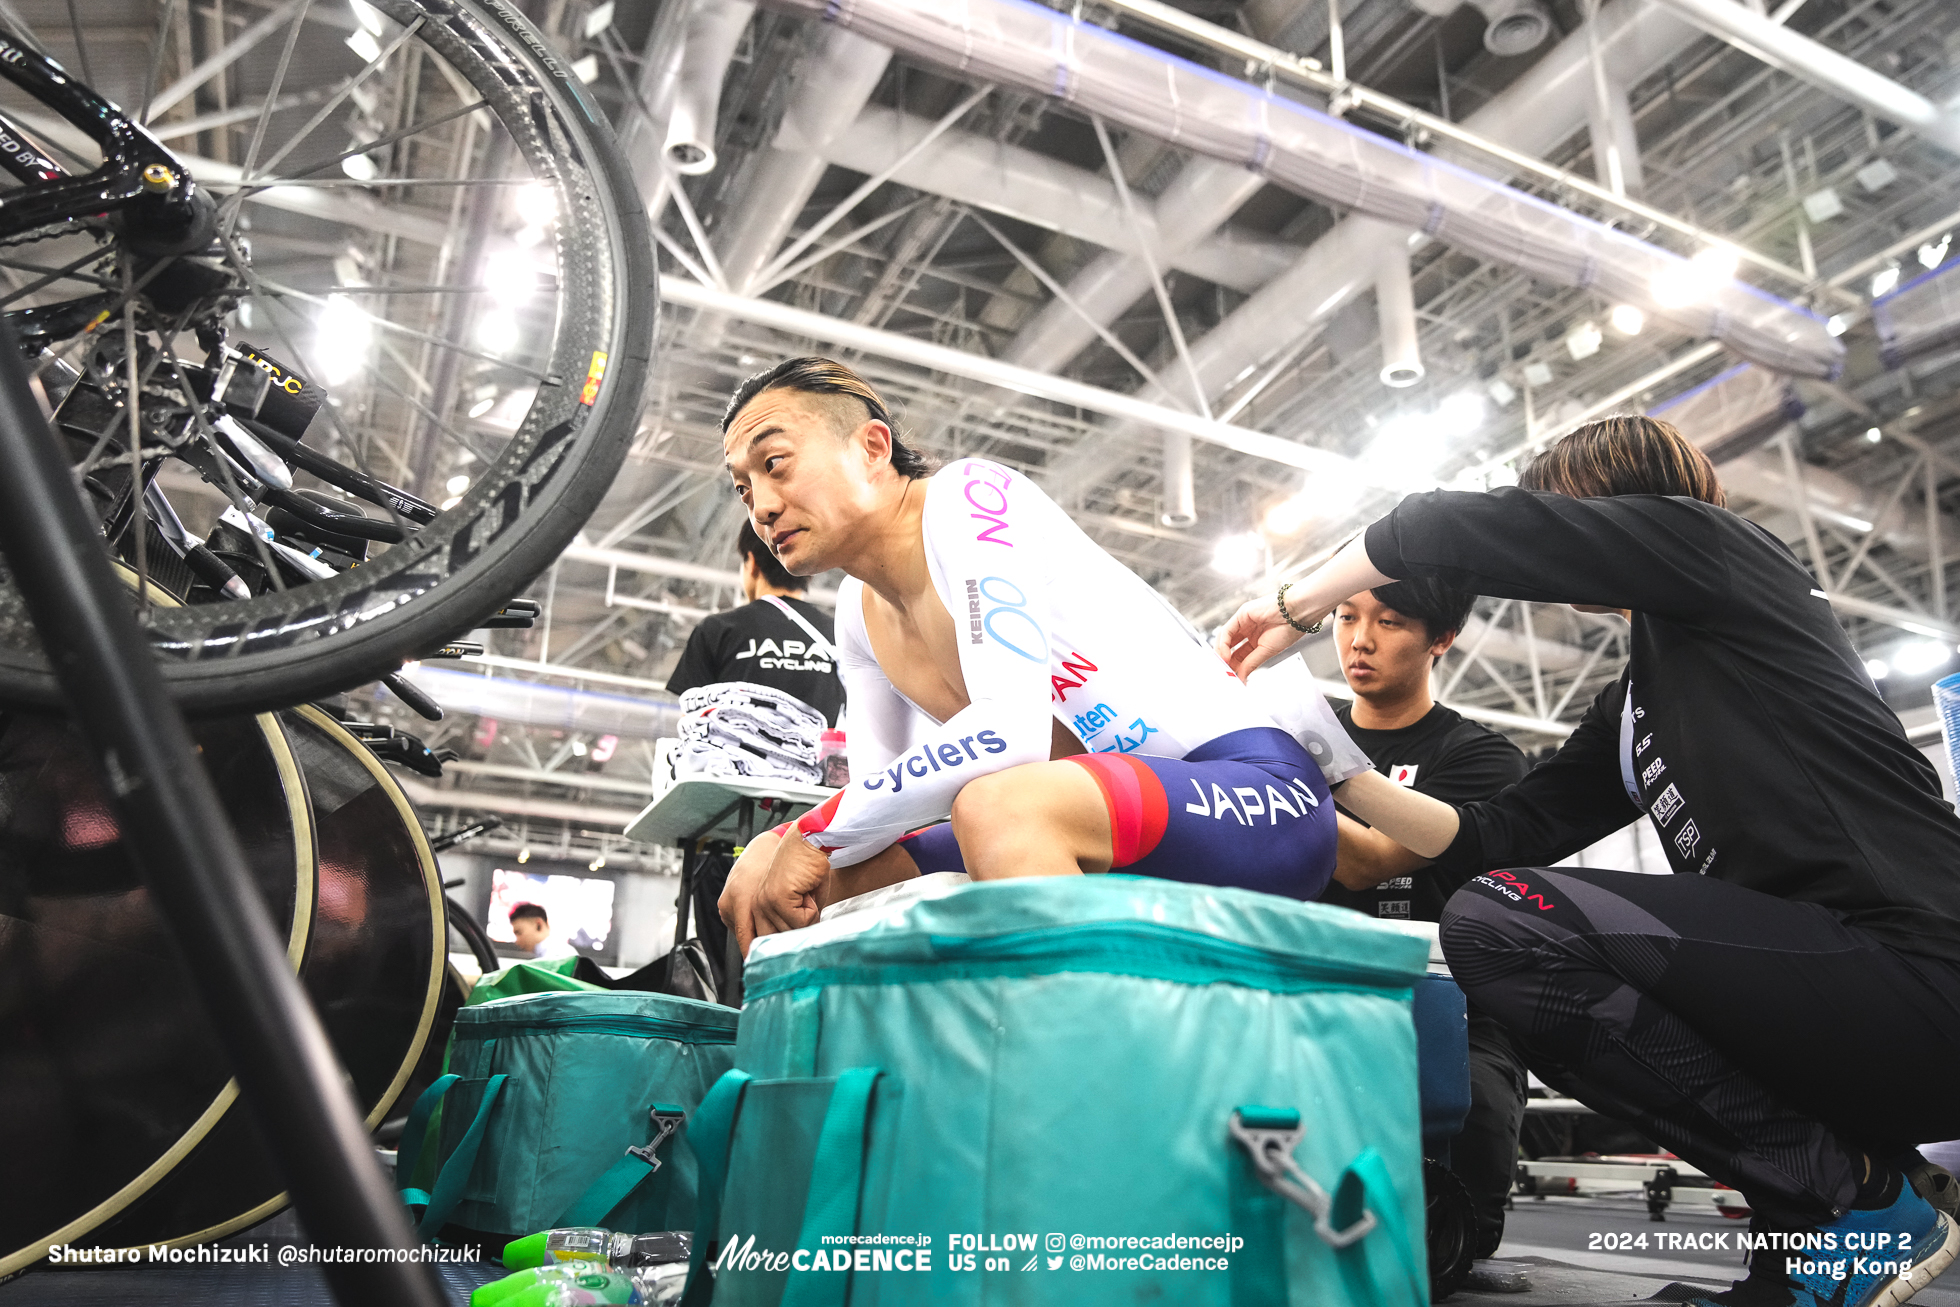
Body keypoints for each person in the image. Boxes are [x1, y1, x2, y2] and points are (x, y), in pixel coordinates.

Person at [1219, 416, 1960, 1307]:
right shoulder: (1638, 699)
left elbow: (1436, 525)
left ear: (1618, 503)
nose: (1541, 533)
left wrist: (1295, 608)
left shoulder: (1723, 552)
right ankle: (1809, 1245)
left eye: (1550, 508)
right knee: (1518, 912)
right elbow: (1493, 833)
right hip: (1822, 993)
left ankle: (1859, 1200)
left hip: (1914, 968)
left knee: (1503, 922)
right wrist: (1333, 763)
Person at [712, 356, 1339, 956]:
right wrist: (780, 844)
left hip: (1258, 794)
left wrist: (810, 830)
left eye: (776, 464)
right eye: (744, 489)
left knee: (996, 806)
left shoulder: (968, 498)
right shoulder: (855, 613)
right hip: (1105, 820)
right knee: (799, 888)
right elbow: (881, 814)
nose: (762, 505)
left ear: (873, 449)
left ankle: (1075, 1058)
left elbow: (1013, 734)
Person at [1322, 576, 1532, 1269]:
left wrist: (1296, 771)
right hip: (1311, 989)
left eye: (1389, 622)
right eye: (1347, 615)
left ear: (1439, 639)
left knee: (1453, 1230)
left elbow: (1373, 866)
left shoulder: (1482, 757)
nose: (1359, 638)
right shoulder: (1288, 739)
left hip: (1445, 1004)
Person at [665, 520, 845, 726]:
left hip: (735, 756)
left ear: (751, 562)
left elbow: (692, 723)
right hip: (821, 756)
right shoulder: (837, 635)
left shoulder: (717, 630)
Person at [508, 902, 577, 960]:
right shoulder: (551, 954)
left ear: (538, 925)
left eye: (519, 932)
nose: (517, 941)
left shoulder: (559, 954)